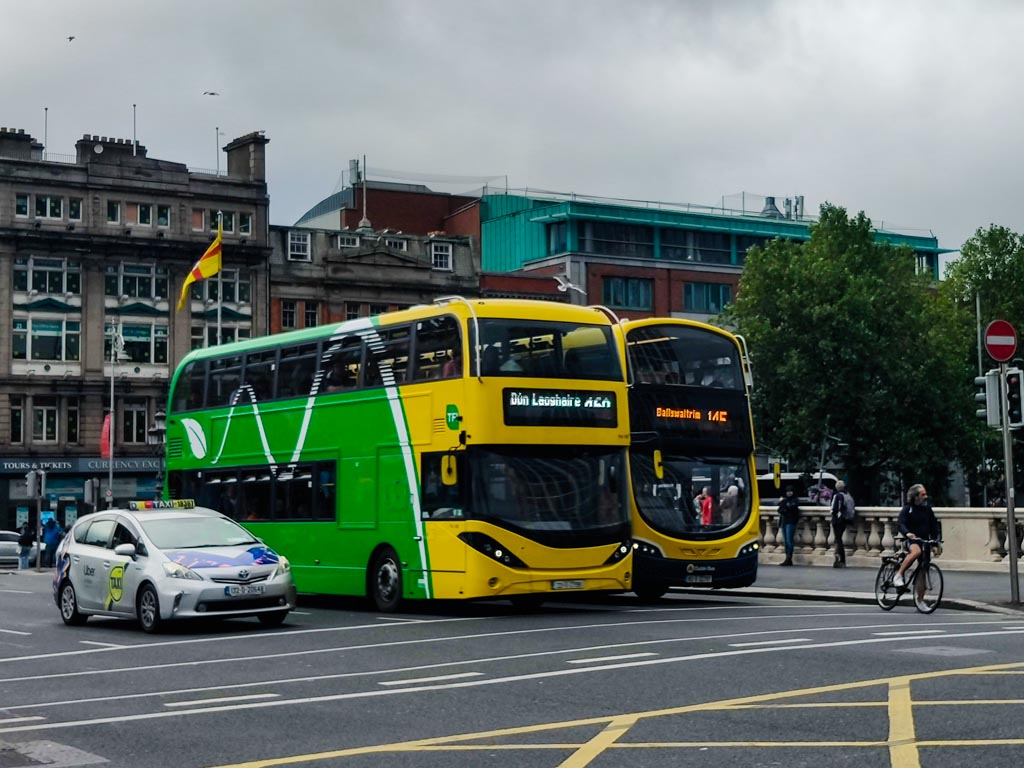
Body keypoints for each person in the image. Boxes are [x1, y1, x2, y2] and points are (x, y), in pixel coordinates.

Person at [893, 483, 941, 587]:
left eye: (925, 494)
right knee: (916, 552)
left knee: (924, 568)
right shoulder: (907, 509)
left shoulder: (928, 510)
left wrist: (935, 543)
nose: (925, 497)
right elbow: (901, 523)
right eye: (923, 495)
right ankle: (898, 575)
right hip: (911, 540)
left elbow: (934, 527)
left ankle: (920, 600)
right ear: (915, 496)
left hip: (924, 540)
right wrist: (907, 533)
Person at [830, 480, 853, 568]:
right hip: (845, 519)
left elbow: (834, 508)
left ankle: (840, 559)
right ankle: (840, 559)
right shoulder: (848, 496)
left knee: (838, 540)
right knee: (839, 539)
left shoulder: (837, 496)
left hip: (838, 520)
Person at [777, 485, 800, 565]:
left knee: (789, 541)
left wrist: (784, 504)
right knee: (785, 541)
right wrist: (785, 505)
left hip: (791, 521)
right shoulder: (786, 500)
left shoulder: (795, 500)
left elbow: (790, 508)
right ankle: (787, 556)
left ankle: (789, 558)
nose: (789, 493)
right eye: (787, 491)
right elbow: (780, 510)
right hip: (784, 521)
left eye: (790, 491)